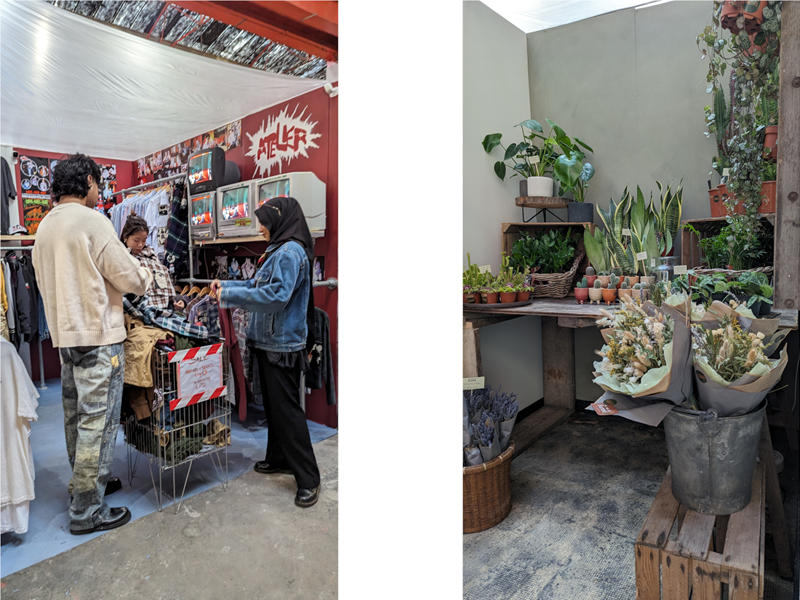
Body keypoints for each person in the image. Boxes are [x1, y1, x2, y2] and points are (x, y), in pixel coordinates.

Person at [32, 153, 152, 535]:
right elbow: (130, 277)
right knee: (97, 425)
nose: (99, 192)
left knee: (75, 418)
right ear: (87, 180)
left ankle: (83, 487)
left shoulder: (45, 227)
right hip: (99, 338)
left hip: (65, 338)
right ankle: (87, 510)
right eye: (97, 185)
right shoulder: (91, 221)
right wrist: (144, 274)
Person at [211, 197, 320, 508]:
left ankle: (309, 478)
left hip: (281, 344)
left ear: (279, 220)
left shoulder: (289, 252)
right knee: (275, 409)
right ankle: (279, 458)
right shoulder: (279, 249)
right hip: (270, 340)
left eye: (264, 221)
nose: (260, 228)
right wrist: (229, 286)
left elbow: (276, 295)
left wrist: (229, 294)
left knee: (288, 412)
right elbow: (259, 285)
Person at [120, 214, 174, 310]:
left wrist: (176, 301)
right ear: (125, 237)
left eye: (144, 240)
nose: (140, 245)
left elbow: (163, 284)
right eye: (136, 240)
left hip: (160, 309)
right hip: (133, 311)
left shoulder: (151, 255)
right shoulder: (120, 257)